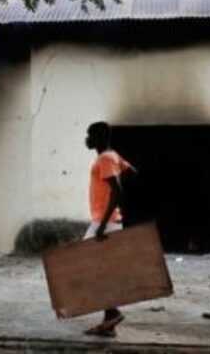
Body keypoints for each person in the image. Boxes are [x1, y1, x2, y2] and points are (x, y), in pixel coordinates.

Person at [83, 121, 135, 338]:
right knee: (101, 270)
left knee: (87, 267)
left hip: (105, 222)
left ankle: (112, 312)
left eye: (89, 135)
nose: (86, 139)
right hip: (107, 220)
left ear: (99, 137)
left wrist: (103, 225)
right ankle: (109, 323)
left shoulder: (105, 158)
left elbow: (117, 190)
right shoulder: (113, 156)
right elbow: (132, 171)